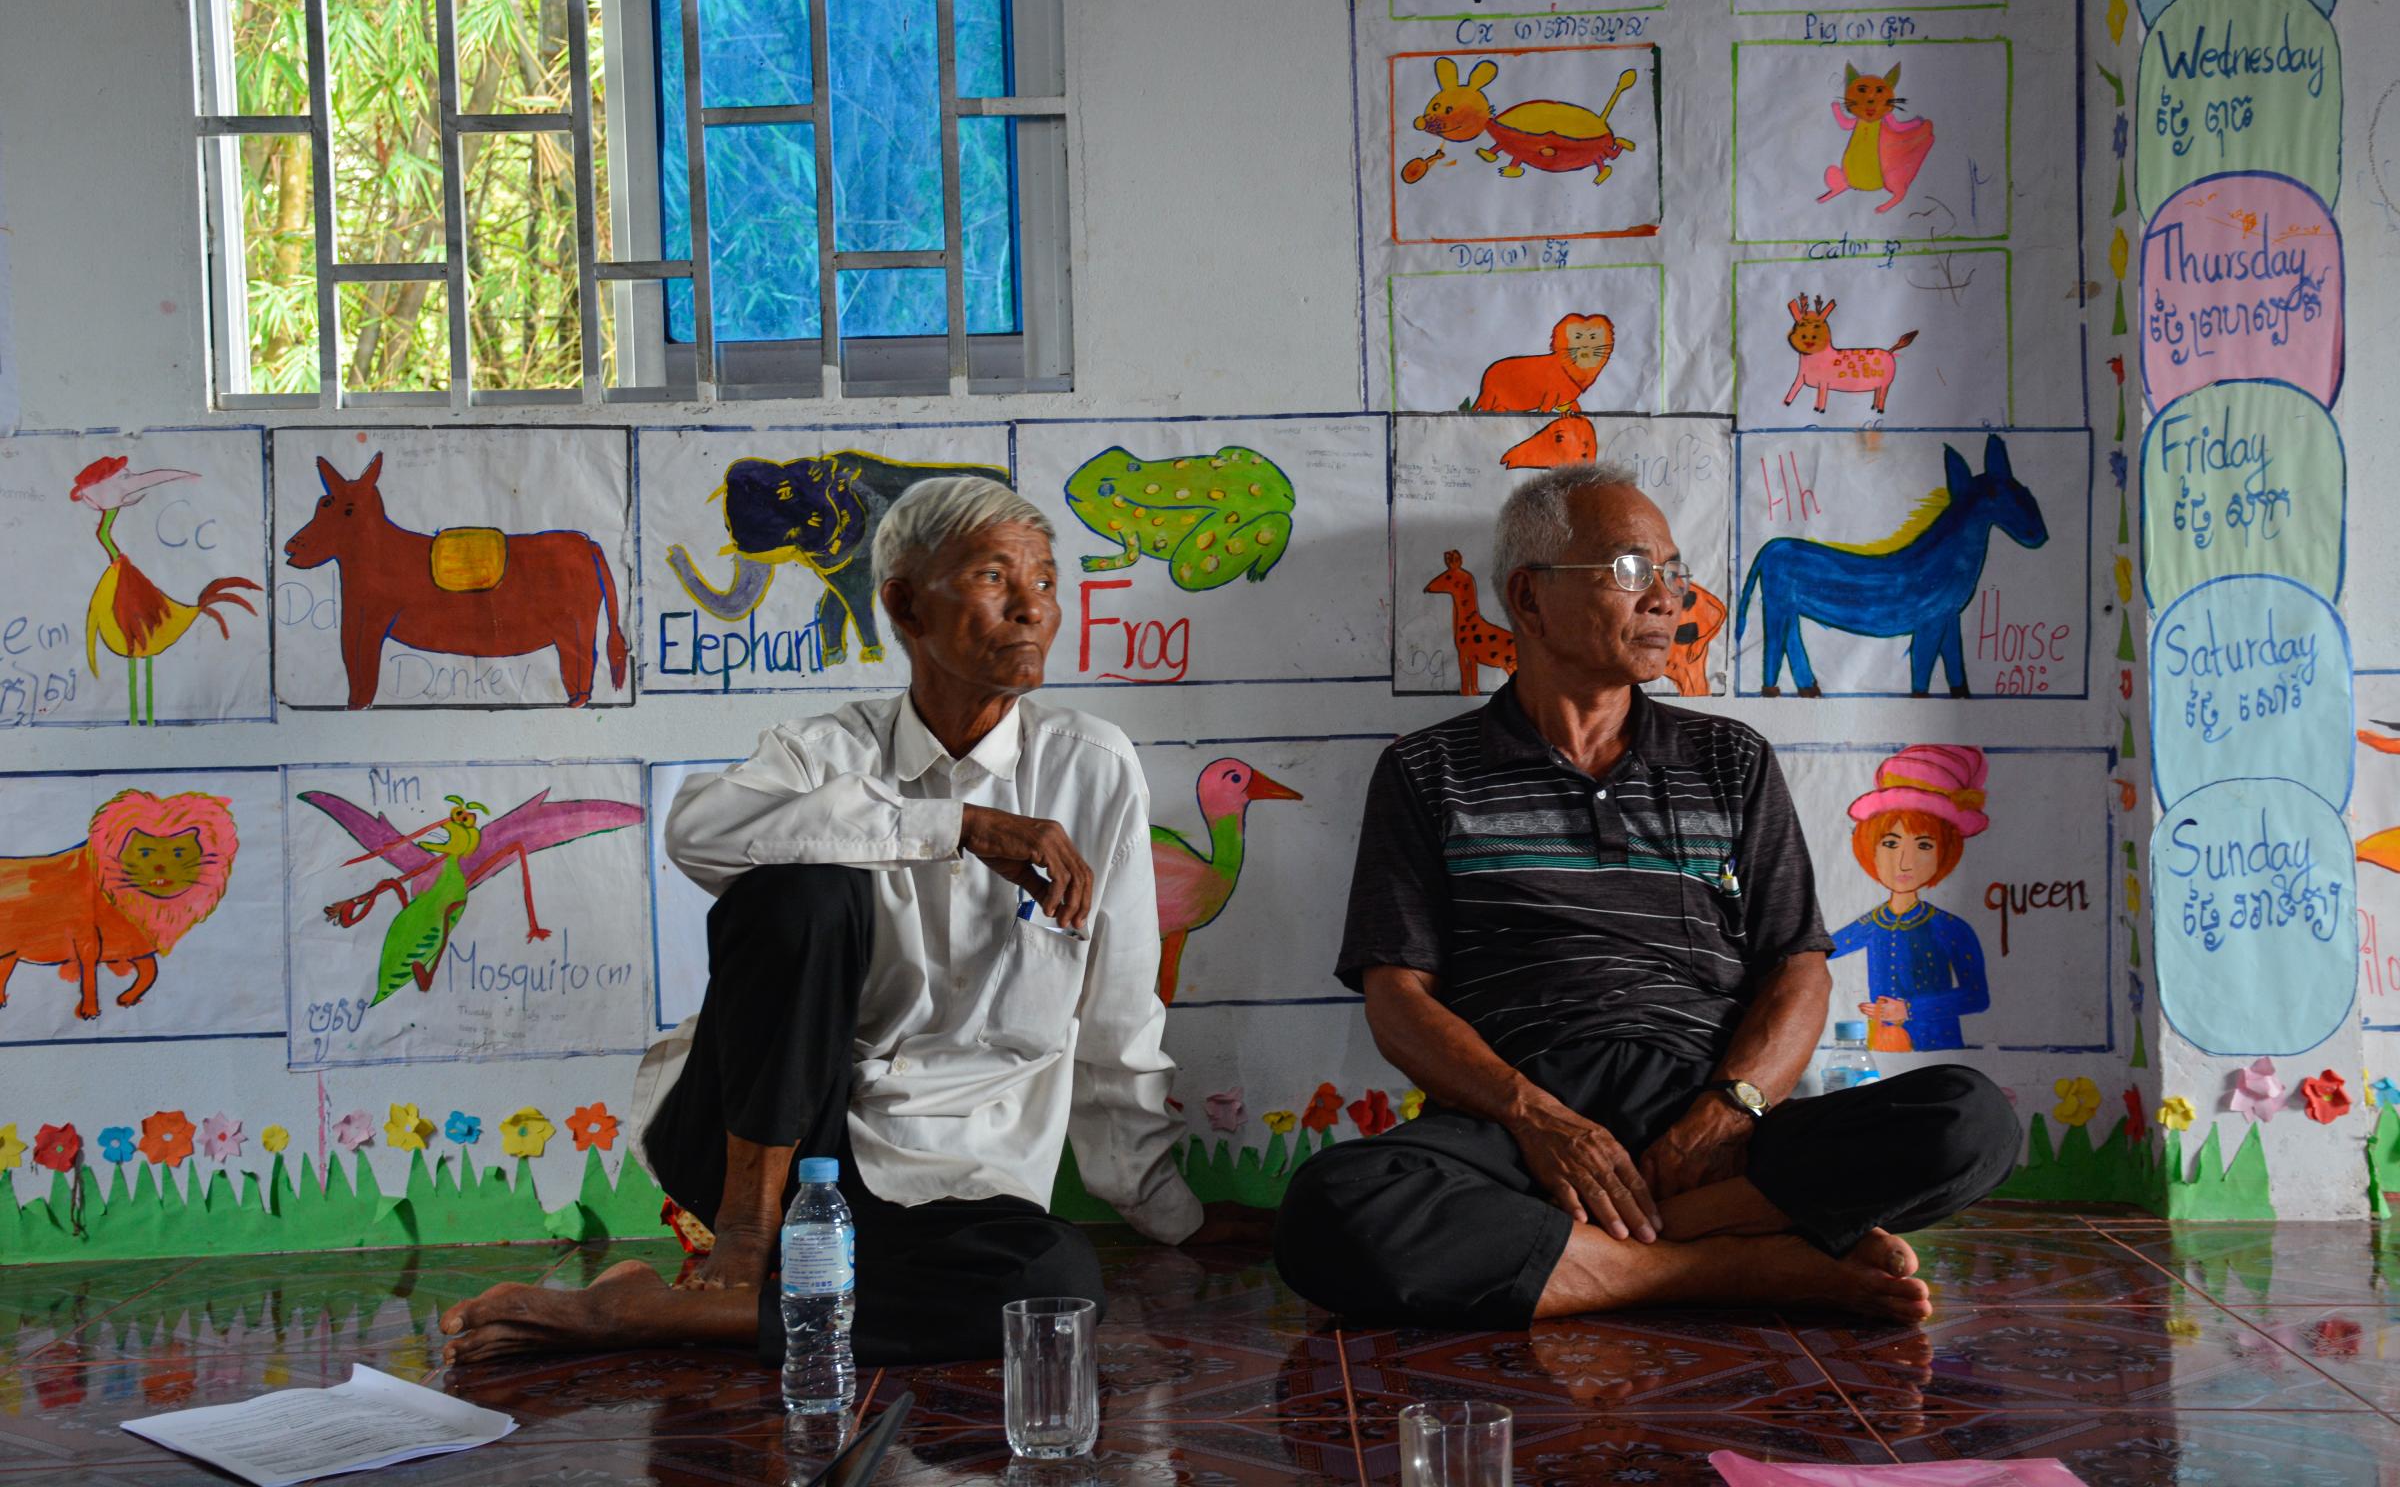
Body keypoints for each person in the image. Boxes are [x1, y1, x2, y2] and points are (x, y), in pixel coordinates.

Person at [443, 478, 1250, 1368]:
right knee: (800, 889)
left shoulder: (1093, 769)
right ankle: (747, 1240)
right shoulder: (824, 750)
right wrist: (954, 827)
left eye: (1048, 582)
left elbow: (1119, 1017)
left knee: (1051, 1283)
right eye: (993, 575)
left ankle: (650, 1313)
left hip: (956, 1176)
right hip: (769, 1143)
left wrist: (1169, 1212)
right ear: (904, 603)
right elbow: (699, 829)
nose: (1031, 607)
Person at [1274, 462, 2018, 1330]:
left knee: (1971, 1121)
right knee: (1329, 1211)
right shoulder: (1426, 772)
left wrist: (1727, 1110)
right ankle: (1731, 1268)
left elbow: (1799, 968)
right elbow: (1397, 998)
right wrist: (1540, 1120)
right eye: (1632, 571)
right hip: (1521, 1121)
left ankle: (1634, 1251)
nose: (1668, 598)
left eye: (1674, 571)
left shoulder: (1730, 760)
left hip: (1705, 1111)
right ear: (1529, 596)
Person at [1830, 745, 1994, 1053]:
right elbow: (1823, 949)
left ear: (1944, 853)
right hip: (1882, 1047)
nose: (1905, 862)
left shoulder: (1950, 927)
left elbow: (1976, 996)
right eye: (1891, 843)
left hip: (1937, 1050)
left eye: (1924, 846)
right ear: (1870, 848)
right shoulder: (1873, 923)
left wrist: (1908, 1010)